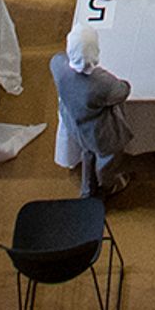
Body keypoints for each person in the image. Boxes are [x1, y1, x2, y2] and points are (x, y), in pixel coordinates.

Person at [53, 21, 134, 199]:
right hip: (100, 133)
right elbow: (123, 90)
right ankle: (108, 186)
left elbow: (59, 59)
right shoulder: (101, 83)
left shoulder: (58, 65)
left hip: (76, 126)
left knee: (87, 153)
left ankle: (87, 189)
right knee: (106, 161)